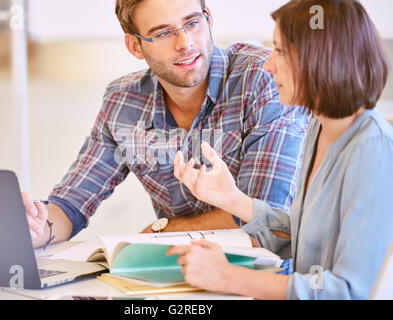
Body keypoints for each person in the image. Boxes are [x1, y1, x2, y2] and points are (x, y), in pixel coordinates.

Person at [23, 0, 309, 249]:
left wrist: (162, 232)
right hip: (173, 280)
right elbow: (71, 205)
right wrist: (36, 227)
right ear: (135, 45)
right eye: (163, 33)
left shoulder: (263, 80)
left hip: (261, 282)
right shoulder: (124, 102)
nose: (185, 43)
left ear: (208, 18)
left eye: (192, 23)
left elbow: (268, 222)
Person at [168, 0, 393, 300]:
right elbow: (300, 237)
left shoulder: (373, 148)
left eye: (281, 51)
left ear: (322, 57)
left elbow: (348, 290)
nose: (267, 64)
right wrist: (233, 199)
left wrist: (228, 277)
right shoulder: (320, 125)